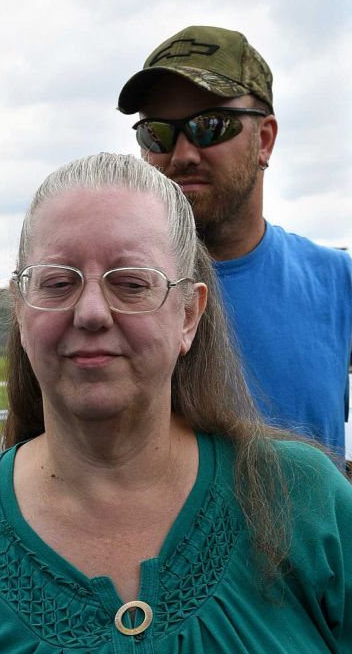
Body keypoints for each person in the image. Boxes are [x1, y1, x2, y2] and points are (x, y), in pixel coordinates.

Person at [0, 153, 351, 654]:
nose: (91, 312)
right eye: (58, 281)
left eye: (131, 283)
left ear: (188, 314)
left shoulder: (302, 497)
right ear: (21, 310)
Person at [117, 26, 352, 459]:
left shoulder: (338, 282)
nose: (183, 154)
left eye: (210, 126)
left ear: (264, 140)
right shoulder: (109, 292)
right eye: (158, 134)